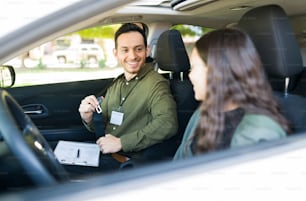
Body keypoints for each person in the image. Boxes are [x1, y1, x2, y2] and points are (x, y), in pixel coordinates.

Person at [174, 28, 290, 160]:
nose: (190, 75)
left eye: (194, 67)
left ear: (218, 72)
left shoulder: (262, 132)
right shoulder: (203, 112)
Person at [78, 23, 178, 172]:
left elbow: (168, 123)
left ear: (147, 51)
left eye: (138, 49)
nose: (132, 56)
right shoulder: (117, 83)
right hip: (107, 153)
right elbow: (103, 123)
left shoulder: (156, 84)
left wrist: (121, 143)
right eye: (125, 50)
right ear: (116, 53)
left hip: (129, 164)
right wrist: (88, 118)